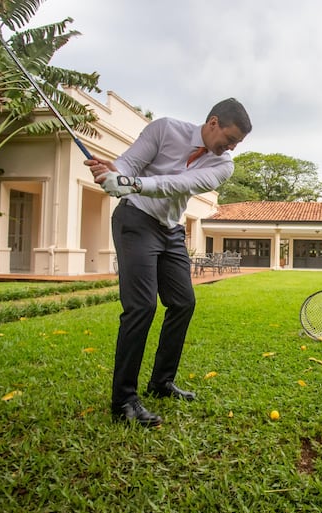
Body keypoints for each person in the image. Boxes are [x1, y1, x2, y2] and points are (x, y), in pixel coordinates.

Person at [85, 98, 252, 426]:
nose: (231, 147)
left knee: (183, 303)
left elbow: (179, 185)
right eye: (230, 139)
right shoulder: (165, 129)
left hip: (171, 229)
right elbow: (129, 163)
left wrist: (132, 183)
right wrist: (114, 173)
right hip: (135, 219)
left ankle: (161, 383)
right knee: (142, 307)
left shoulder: (222, 164)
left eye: (237, 144)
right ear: (213, 122)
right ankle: (124, 400)